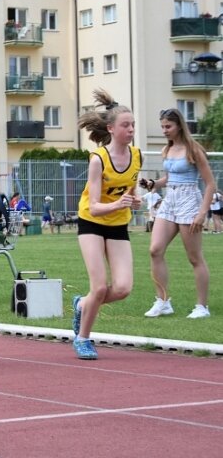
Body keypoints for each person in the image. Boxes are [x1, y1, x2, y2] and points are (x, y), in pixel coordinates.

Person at [71, 89, 142, 360]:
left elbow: (131, 191)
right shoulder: (98, 159)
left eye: (133, 124)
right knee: (100, 286)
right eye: (126, 125)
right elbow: (94, 206)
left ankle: (82, 304)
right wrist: (117, 205)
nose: (131, 129)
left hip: (118, 225)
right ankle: (83, 338)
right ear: (111, 128)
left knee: (123, 288)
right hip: (92, 222)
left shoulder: (137, 156)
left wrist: (134, 202)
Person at [141, 108, 215, 319]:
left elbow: (210, 184)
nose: (164, 130)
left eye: (168, 126)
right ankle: (162, 301)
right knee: (155, 250)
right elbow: (169, 178)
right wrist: (154, 183)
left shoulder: (194, 150)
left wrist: (202, 213)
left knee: (194, 257)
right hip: (170, 201)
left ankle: (202, 307)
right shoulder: (168, 149)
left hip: (189, 201)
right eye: (162, 126)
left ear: (179, 126)